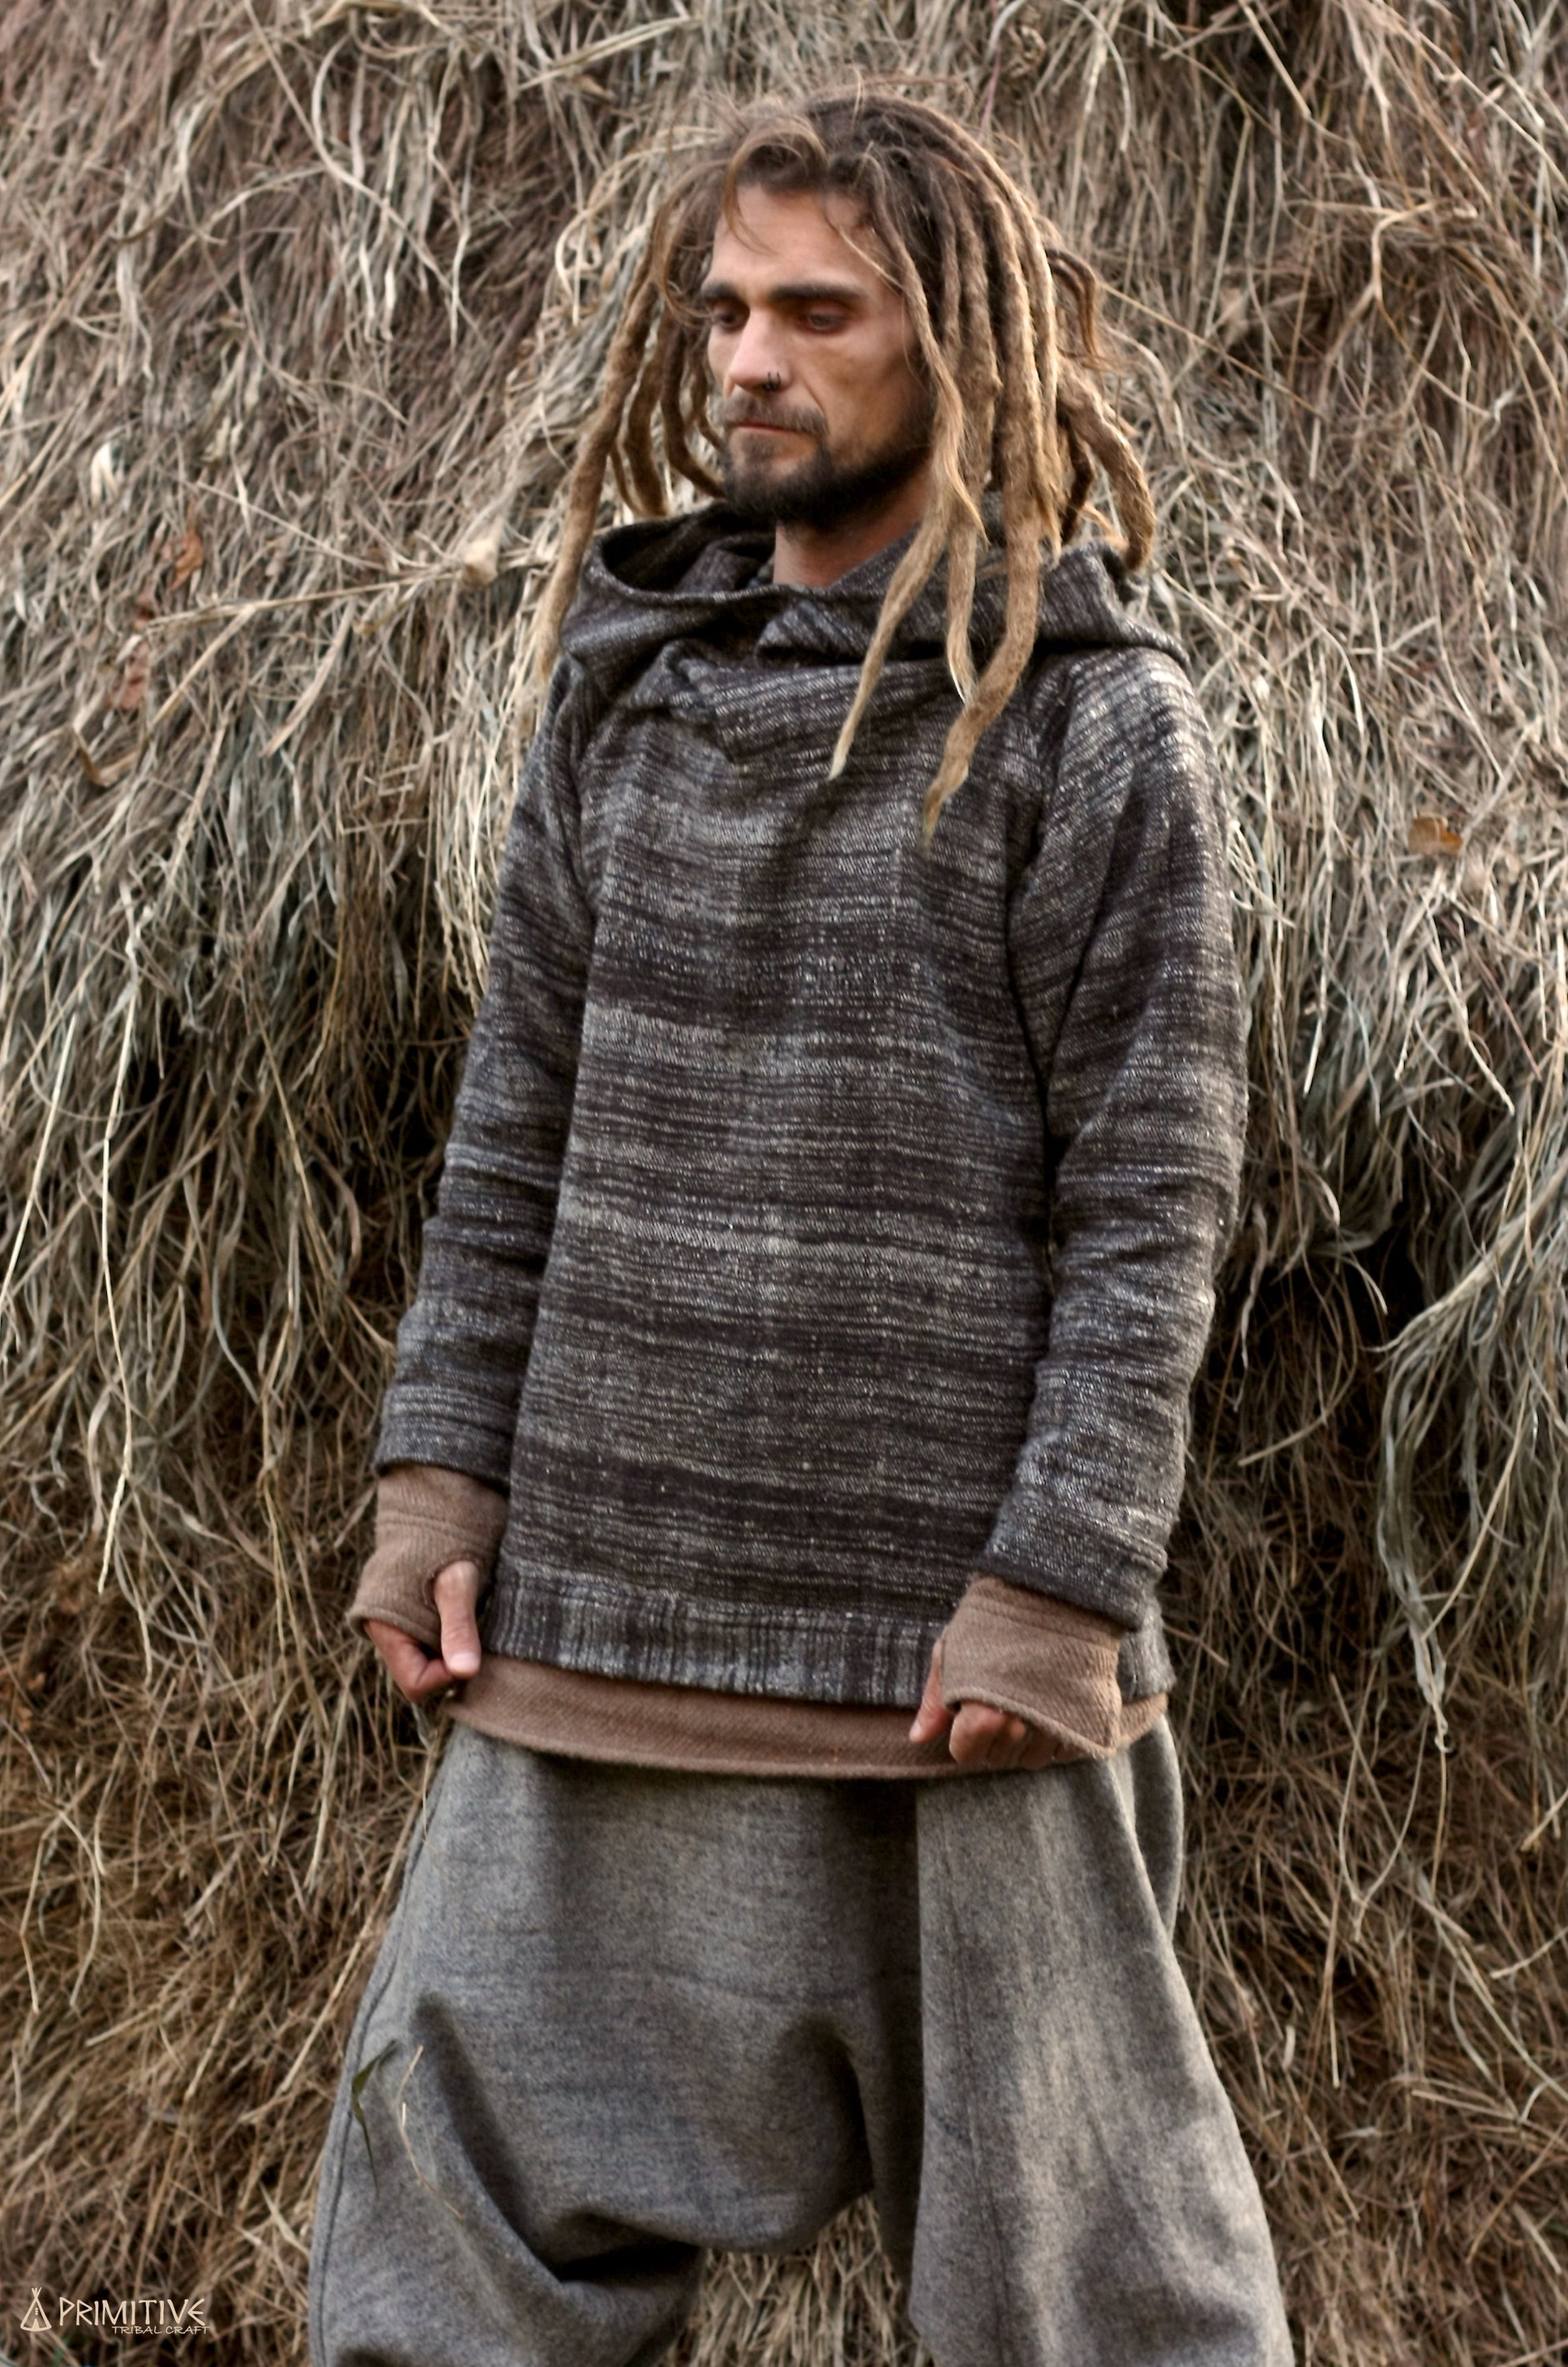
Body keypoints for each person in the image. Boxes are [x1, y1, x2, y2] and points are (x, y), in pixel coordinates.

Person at [308, 86, 1294, 2367]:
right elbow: (517, 1122)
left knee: (1094, 2300)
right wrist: (438, 1476)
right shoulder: (625, 695)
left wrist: (1060, 1588)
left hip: (948, 1668)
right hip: (599, 1623)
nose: (749, 359)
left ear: (955, 340)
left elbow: (1153, 1199)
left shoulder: (1089, 732)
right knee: (443, 2237)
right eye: (728, 308)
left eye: (817, 313)